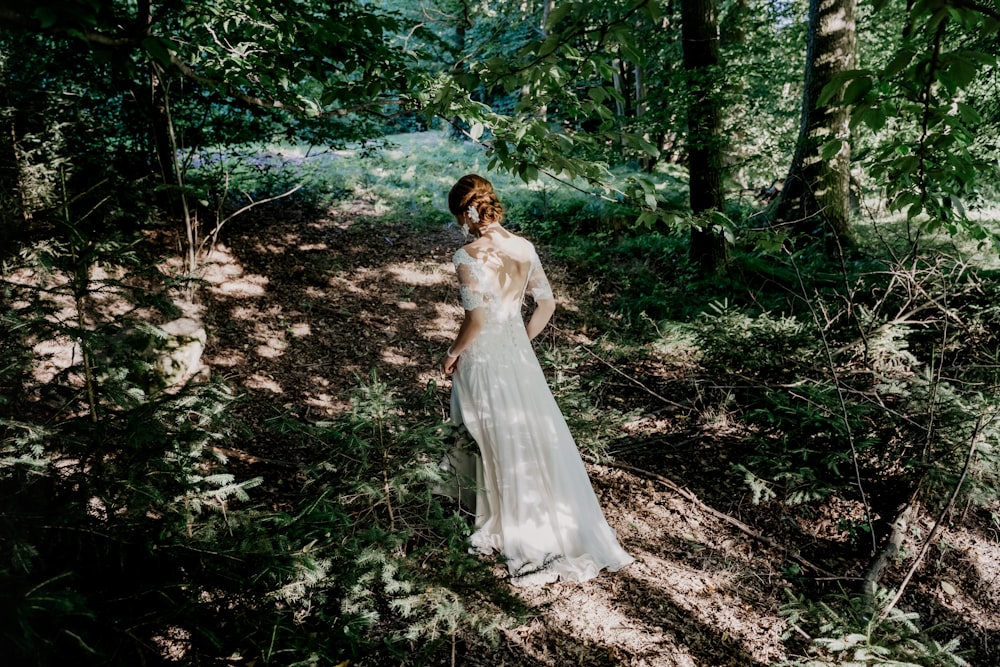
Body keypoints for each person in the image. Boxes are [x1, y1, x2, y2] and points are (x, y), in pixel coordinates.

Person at [440, 174, 634, 586]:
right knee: (529, 432)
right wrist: (520, 340)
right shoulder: (523, 248)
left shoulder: (467, 255)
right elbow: (546, 303)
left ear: (465, 212)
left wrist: (453, 352)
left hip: (485, 358)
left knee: (491, 433)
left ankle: (506, 520)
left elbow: (475, 319)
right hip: (518, 356)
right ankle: (525, 513)